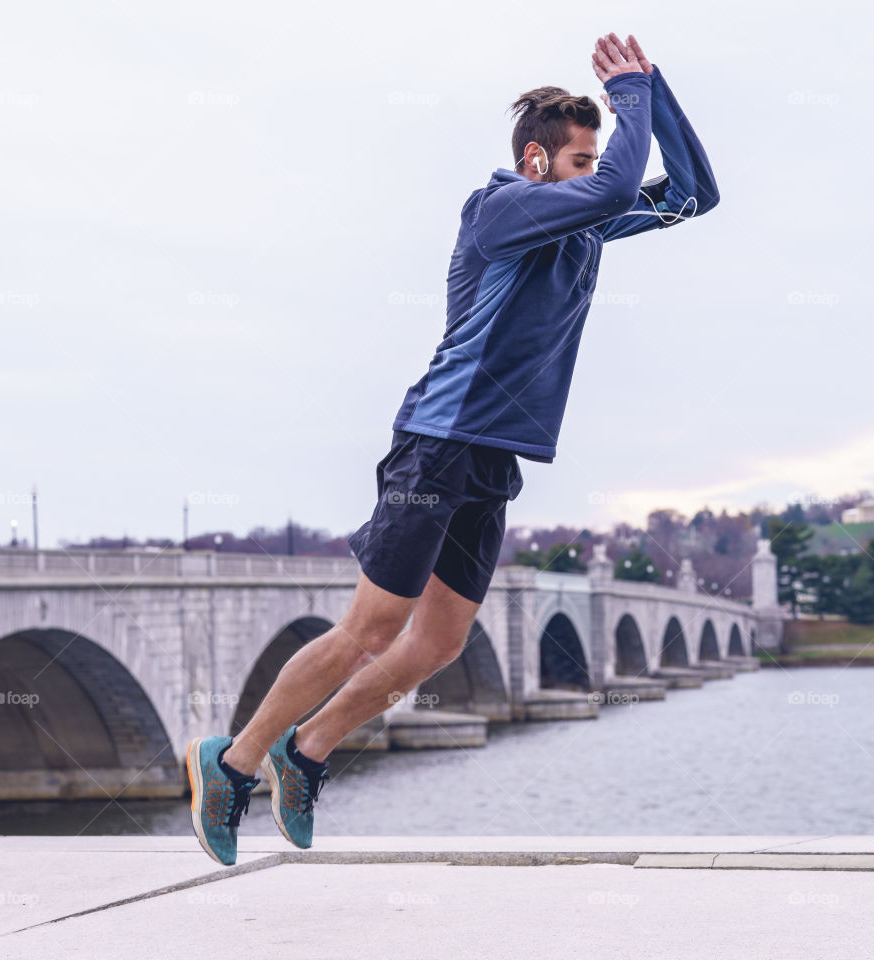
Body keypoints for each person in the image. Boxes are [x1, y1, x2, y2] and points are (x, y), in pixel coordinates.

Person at [186, 31, 719, 865]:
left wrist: (655, 86)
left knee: (437, 644)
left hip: (493, 457)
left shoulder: (584, 231)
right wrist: (627, 101)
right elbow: (619, 183)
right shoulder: (498, 210)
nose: (595, 176)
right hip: (438, 442)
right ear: (538, 162)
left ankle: (308, 749)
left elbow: (693, 196)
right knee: (373, 627)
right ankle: (233, 761)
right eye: (580, 161)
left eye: (595, 160)